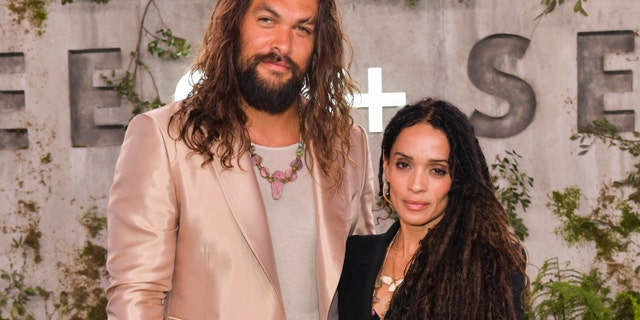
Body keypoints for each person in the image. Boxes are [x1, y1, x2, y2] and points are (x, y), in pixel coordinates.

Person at [104, 0, 376, 319]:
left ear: (320, 44)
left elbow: (361, 282)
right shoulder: (164, 138)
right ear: (233, 24)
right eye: (266, 20)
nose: (283, 45)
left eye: (302, 29)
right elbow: (137, 295)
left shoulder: (347, 143)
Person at [338, 98, 528, 319]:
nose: (416, 185)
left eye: (437, 170)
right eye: (404, 165)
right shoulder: (353, 255)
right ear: (386, 166)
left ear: (458, 178)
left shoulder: (491, 263)